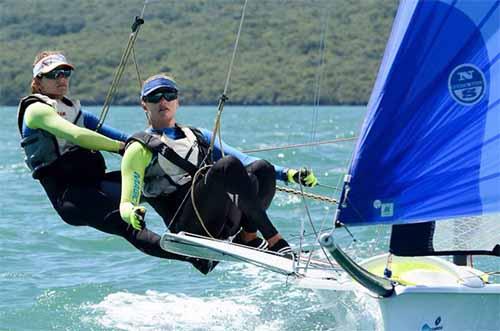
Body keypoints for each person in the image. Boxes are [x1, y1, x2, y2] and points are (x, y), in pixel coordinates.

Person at [18, 52, 210, 271]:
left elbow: (123, 137)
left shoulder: (74, 110)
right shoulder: (35, 110)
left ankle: (195, 231)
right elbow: (78, 136)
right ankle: (197, 258)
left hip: (97, 184)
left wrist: (152, 149)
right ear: (38, 81)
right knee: (128, 227)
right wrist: (121, 148)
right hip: (71, 197)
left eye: (65, 73)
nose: (62, 78)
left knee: (156, 178)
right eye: (53, 74)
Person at [119, 73, 318, 270]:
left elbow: (246, 160)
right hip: (190, 228)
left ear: (177, 101)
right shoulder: (139, 148)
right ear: (144, 104)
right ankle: (276, 241)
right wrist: (131, 214)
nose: (163, 101)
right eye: (155, 96)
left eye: (169, 95)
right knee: (226, 166)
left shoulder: (197, 135)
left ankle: (248, 238)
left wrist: (289, 174)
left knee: (262, 168)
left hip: (221, 220)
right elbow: (127, 202)